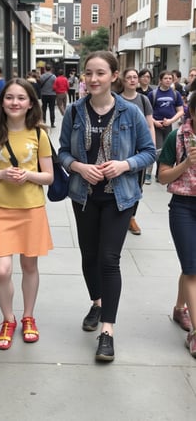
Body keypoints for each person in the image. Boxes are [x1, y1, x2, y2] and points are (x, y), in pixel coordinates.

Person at [58, 51, 156, 362]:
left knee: (109, 259)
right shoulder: (74, 112)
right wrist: (77, 166)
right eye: (88, 73)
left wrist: (125, 164)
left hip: (119, 197)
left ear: (113, 76)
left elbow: (149, 152)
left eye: (100, 73)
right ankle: (97, 302)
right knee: (89, 255)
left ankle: (107, 330)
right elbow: (61, 152)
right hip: (84, 196)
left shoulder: (131, 112)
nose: (93, 79)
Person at [0, 78, 54, 350]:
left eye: (21, 98)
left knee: (29, 266)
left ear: (31, 103)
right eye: (9, 97)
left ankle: (28, 317)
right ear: (1, 101)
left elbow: (49, 177)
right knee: (2, 270)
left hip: (31, 208)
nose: (15, 102)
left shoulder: (39, 134)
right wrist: (1, 174)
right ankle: (8, 319)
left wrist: (28, 175)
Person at [158, 91, 196, 358]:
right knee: (193, 269)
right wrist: (186, 163)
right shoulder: (177, 137)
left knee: (191, 264)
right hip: (183, 207)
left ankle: (180, 307)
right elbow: (162, 177)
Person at [119, 68, 156, 235]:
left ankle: (131, 217)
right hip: (121, 149)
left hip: (139, 150)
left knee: (137, 185)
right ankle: (120, 215)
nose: (133, 80)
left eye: (135, 77)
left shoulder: (143, 100)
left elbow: (149, 125)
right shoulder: (116, 99)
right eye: (129, 77)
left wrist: (151, 147)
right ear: (123, 80)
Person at [146, 70, 184, 184]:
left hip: (168, 126)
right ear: (160, 80)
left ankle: (160, 173)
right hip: (155, 126)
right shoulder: (153, 94)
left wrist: (171, 120)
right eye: (165, 78)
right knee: (156, 149)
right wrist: (154, 122)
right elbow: (147, 112)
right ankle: (148, 173)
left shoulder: (175, 94)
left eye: (170, 79)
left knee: (166, 150)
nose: (168, 80)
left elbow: (180, 111)